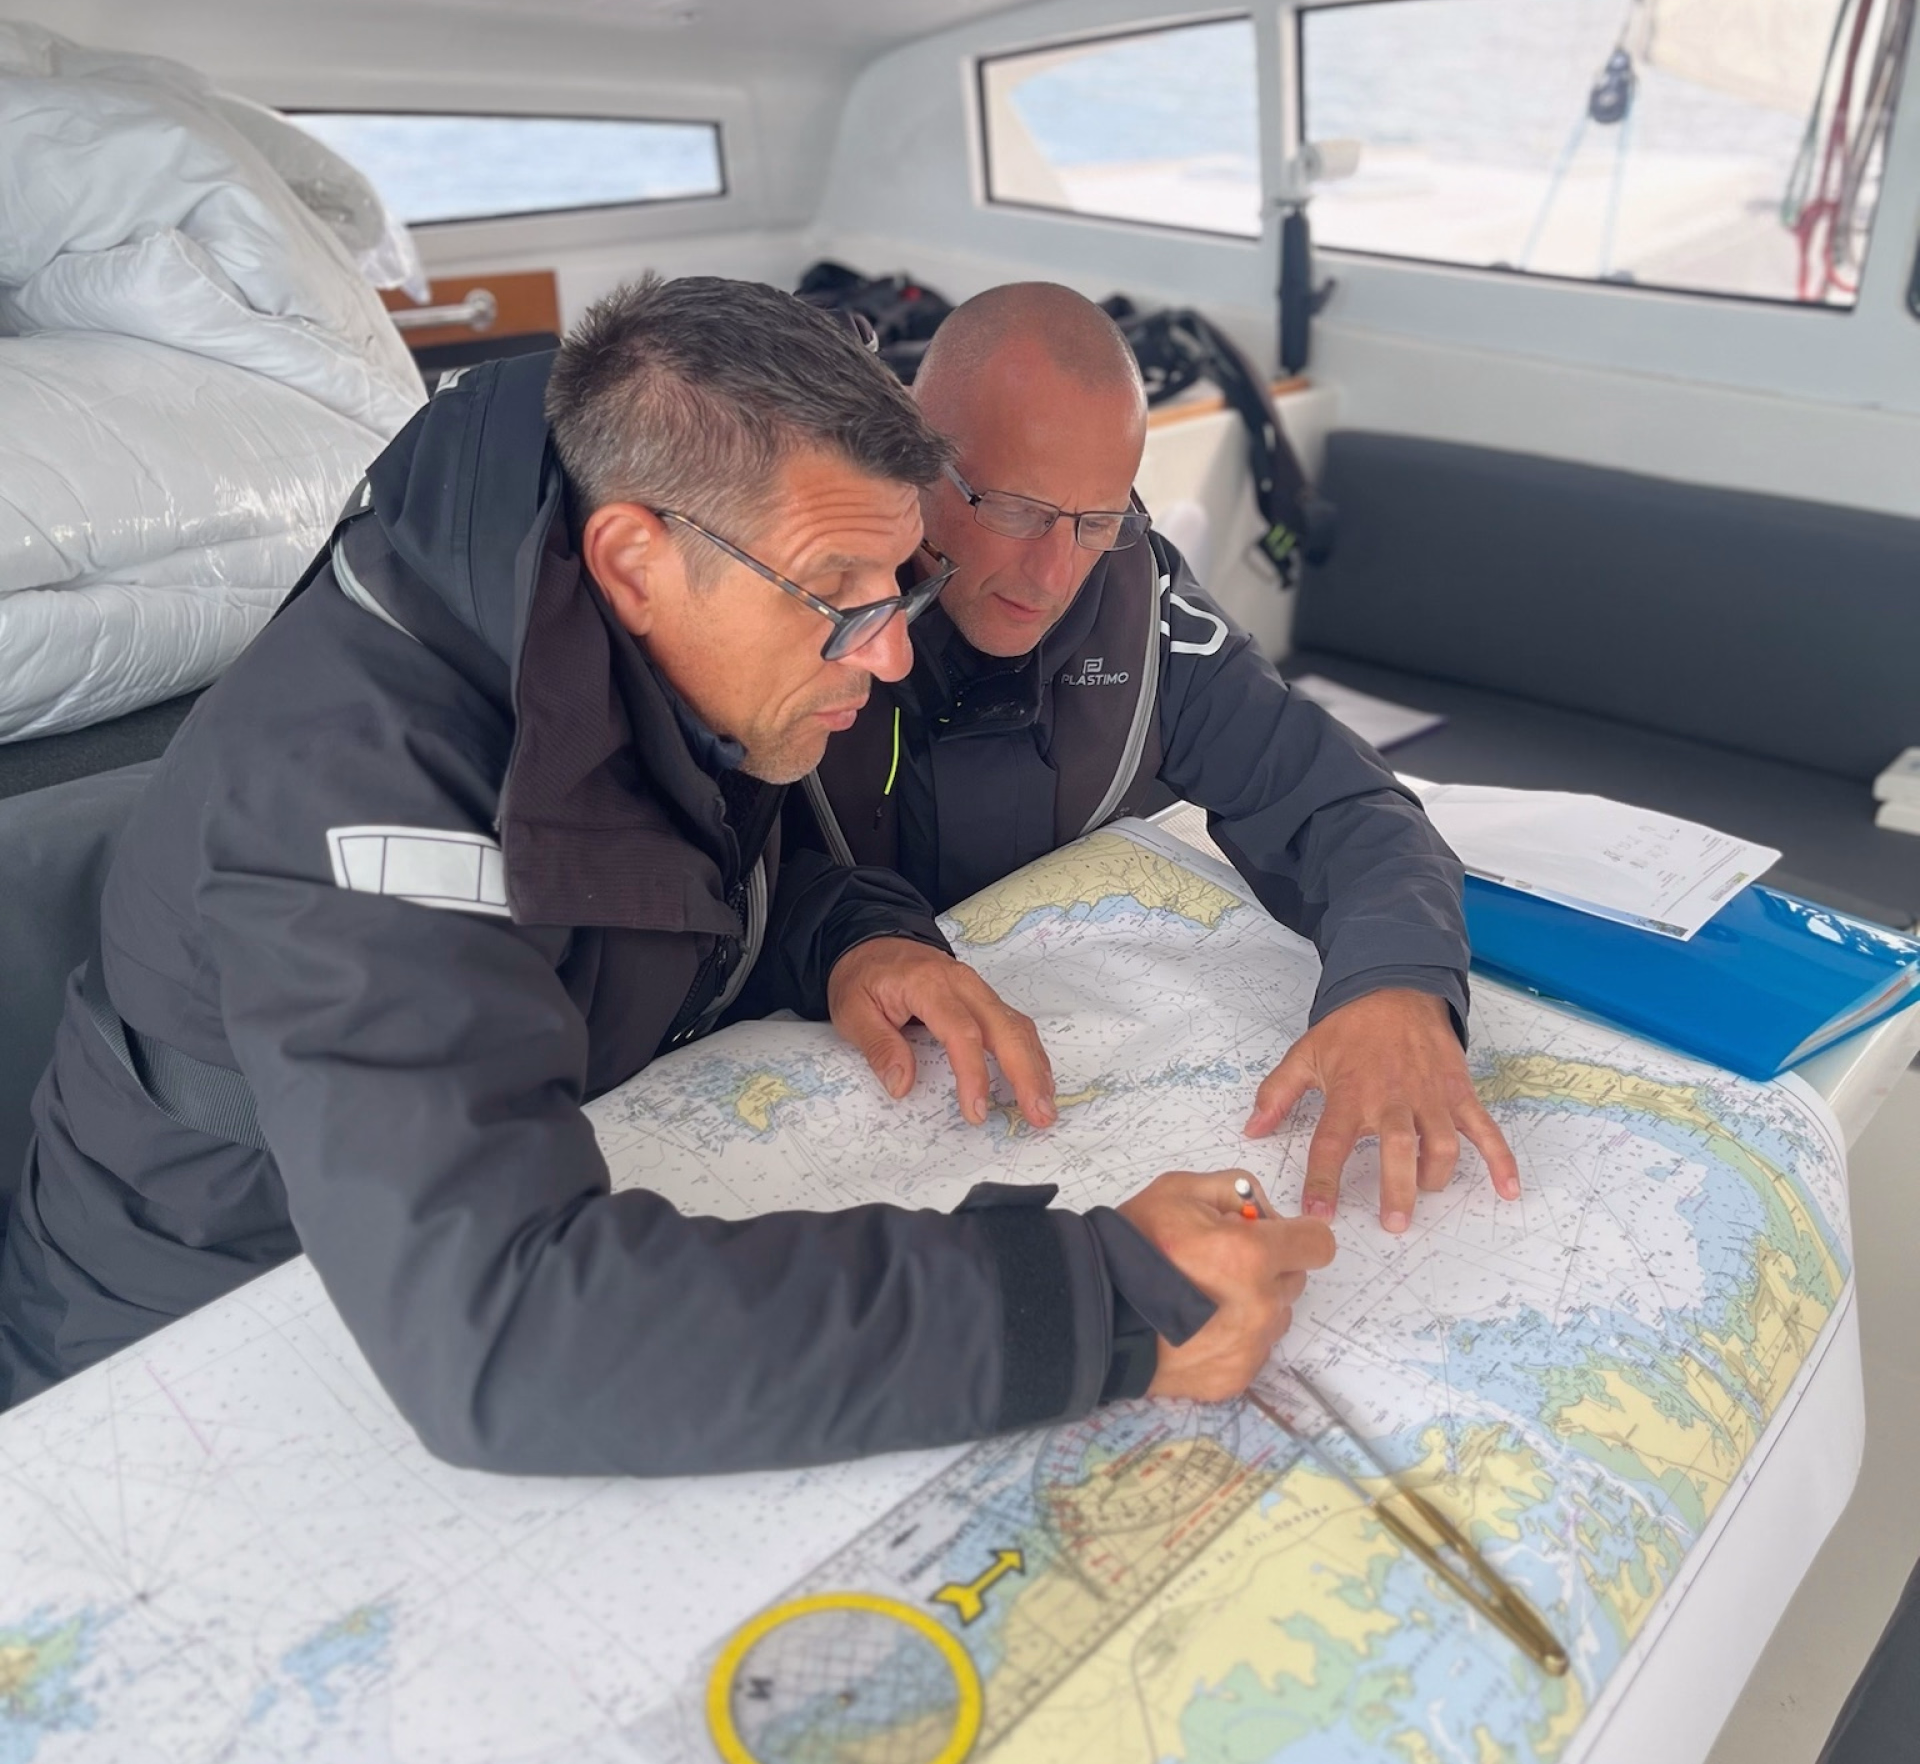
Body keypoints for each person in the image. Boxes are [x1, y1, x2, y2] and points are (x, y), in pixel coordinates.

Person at [0, 275, 1333, 1467]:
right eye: (841, 594)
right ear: (636, 560)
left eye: (898, 583)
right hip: (182, 1359)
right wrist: (1091, 1301)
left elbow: (680, 886)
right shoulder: (352, 777)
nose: (889, 655)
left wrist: (855, 937)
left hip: (426, 1262)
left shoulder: (637, 638)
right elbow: (508, 1335)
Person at [803, 281, 1521, 1232]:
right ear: (917, 456)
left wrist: (1398, 982)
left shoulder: (1145, 611)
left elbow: (1348, 807)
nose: (1055, 575)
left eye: (1096, 521)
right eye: (1016, 509)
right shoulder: (798, 598)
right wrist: (853, 939)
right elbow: (699, 879)